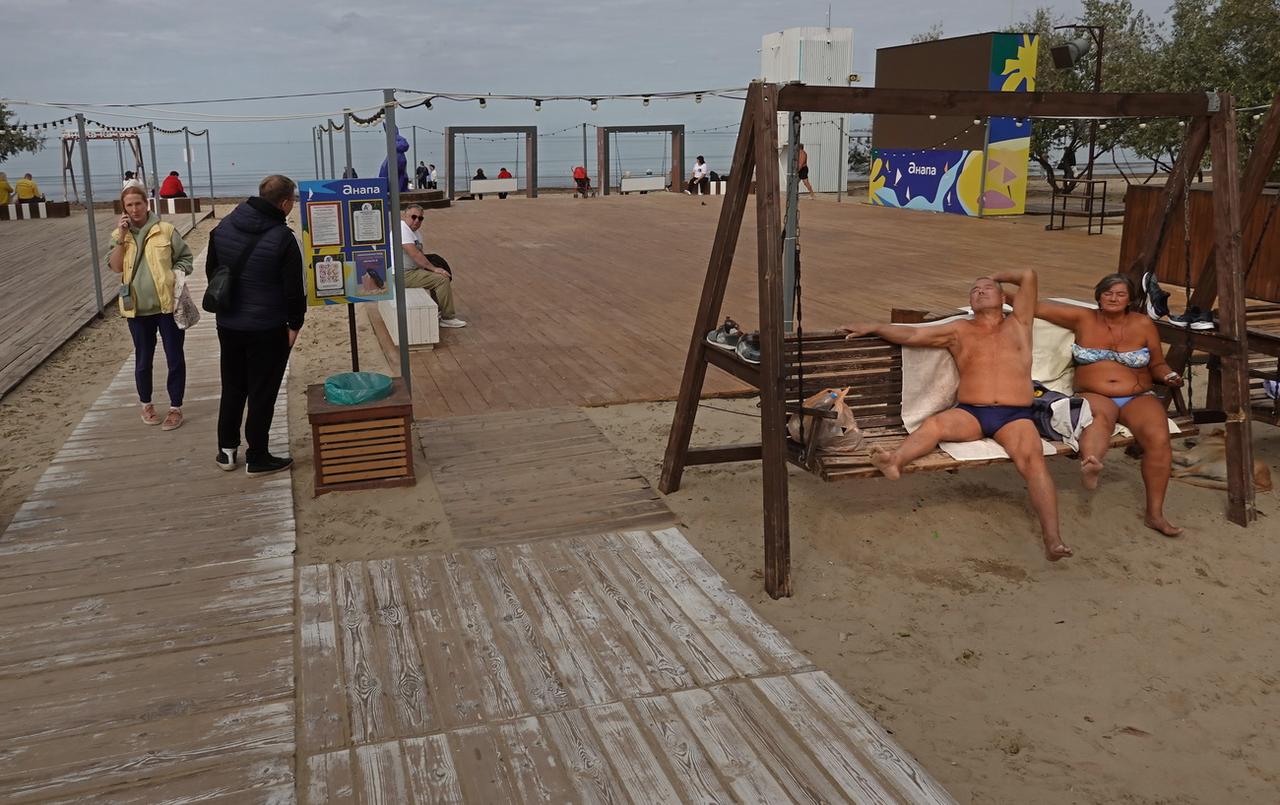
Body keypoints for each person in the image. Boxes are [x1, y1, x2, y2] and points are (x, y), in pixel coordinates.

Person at [840, 270, 1072, 561]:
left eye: (988, 288)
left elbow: (1028, 276)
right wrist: (875, 327)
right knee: (935, 424)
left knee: (1033, 460)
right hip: (972, 413)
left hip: (1015, 416)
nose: (980, 291)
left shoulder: (1019, 324)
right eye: (974, 290)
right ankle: (895, 461)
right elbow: (913, 334)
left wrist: (994, 274)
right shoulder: (959, 329)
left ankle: (1053, 539)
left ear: (1004, 298)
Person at [1037, 273, 1184, 536]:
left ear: (1130, 299)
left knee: (1158, 438)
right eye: (1108, 293)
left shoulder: (1142, 324)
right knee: (1097, 419)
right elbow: (1037, 307)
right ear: (1099, 296)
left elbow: (1157, 364)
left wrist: (1169, 375)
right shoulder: (1083, 318)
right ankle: (1092, 462)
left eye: (1120, 294)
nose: (1113, 298)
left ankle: (1155, 514)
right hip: (1095, 393)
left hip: (1136, 395)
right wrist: (1004, 295)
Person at [206, 174, 305, 475]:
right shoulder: (283, 238)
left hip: (230, 324)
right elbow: (293, 290)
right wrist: (294, 324)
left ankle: (226, 451)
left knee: (233, 386)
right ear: (286, 202)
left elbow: (213, 271)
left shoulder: (223, 226)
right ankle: (257, 455)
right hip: (267, 327)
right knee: (262, 391)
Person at [108, 185, 194, 431]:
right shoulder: (118, 235)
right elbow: (115, 267)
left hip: (167, 307)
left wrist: (175, 275)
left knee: (174, 358)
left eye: (138, 203)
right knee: (143, 360)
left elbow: (185, 258)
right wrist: (122, 237)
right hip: (136, 310)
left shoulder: (165, 230)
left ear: (147, 204)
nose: (135, 209)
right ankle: (146, 404)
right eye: (129, 205)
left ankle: (175, 407)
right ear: (123, 209)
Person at [397, 205, 466, 328]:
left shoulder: (414, 232)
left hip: (412, 271)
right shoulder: (402, 230)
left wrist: (431, 268)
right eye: (413, 217)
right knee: (441, 279)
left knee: (437, 276)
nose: (417, 220)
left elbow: (420, 254)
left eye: (420, 218)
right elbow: (415, 253)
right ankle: (447, 317)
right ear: (405, 216)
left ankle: (438, 311)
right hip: (402, 274)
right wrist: (434, 268)